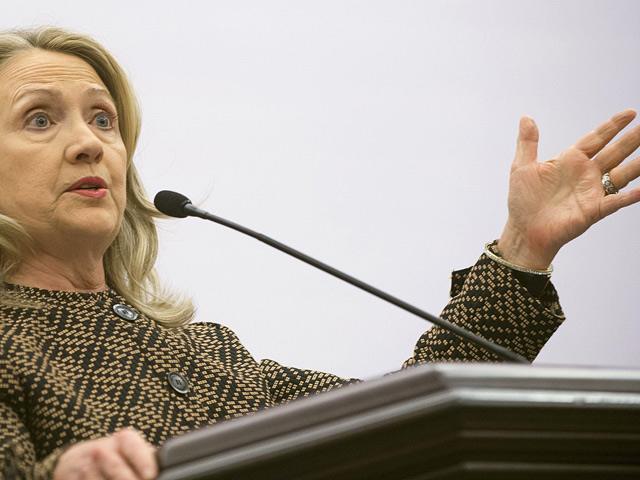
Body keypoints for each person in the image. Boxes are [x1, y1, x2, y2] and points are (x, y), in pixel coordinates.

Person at [0, 26, 638, 480]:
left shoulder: (208, 352)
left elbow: (403, 423)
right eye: (39, 119)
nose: (89, 143)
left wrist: (522, 247)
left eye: (103, 118)